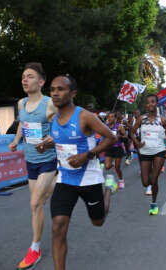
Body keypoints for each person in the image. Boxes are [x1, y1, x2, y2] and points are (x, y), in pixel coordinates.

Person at [37, 75, 117, 270]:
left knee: (98, 221)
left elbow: (111, 138)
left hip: (89, 178)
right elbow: (62, 140)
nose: (55, 93)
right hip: (65, 179)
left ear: (72, 93)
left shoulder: (85, 116)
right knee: (57, 227)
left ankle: (108, 189)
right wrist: (48, 144)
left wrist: (87, 155)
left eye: (60, 89)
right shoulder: (52, 118)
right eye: (52, 89)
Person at [8, 62, 58, 270]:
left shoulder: (49, 104)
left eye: (29, 76)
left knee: (35, 203)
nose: (24, 80)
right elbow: (22, 123)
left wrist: (48, 140)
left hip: (48, 160)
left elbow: (60, 130)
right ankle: (60, 183)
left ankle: (34, 249)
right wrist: (15, 140)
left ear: (41, 81)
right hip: (31, 161)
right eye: (23, 77)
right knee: (38, 204)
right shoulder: (21, 103)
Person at [130, 94, 166, 215]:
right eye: (148, 103)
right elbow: (132, 132)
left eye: (152, 102)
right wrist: (137, 143)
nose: (150, 104)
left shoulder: (162, 120)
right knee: (145, 182)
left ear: (156, 103)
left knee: (154, 179)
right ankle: (152, 184)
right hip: (145, 151)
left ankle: (154, 203)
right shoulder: (141, 119)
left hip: (159, 151)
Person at [104, 112, 126, 189]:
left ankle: (121, 180)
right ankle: (112, 164)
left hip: (117, 148)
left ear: (115, 118)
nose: (110, 118)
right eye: (108, 117)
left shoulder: (119, 126)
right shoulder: (105, 127)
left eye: (112, 117)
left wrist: (119, 136)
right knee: (107, 167)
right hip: (109, 148)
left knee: (117, 168)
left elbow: (125, 136)